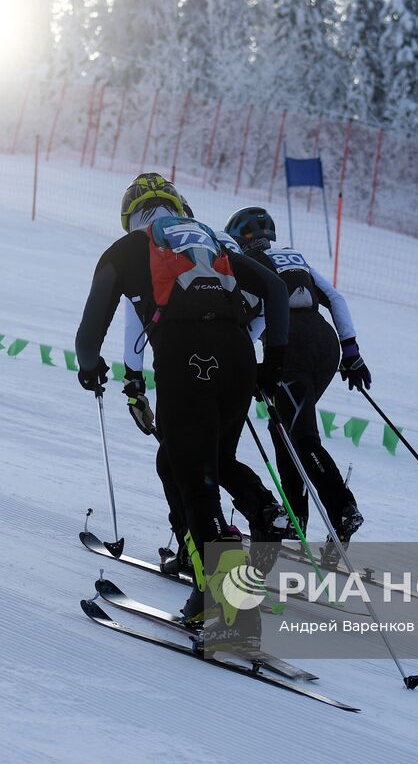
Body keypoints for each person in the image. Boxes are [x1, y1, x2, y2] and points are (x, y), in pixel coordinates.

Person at [76, 174, 291, 652]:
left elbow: (89, 334)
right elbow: (275, 291)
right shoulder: (211, 238)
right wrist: (270, 367)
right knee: (201, 464)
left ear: (131, 216)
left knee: (193, 480)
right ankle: (210, 589)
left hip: (183, 357)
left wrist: (90, 369)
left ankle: (234, 612)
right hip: (237, 358)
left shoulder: (128, 247)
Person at [120, 227, 292, 580]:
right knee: (214, 459)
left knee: (180, 462)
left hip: (188, 364)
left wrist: (134, 384)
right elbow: (266, 297)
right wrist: (263, 359)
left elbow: (133, 328)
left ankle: (206, 564)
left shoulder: (155, 250)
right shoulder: (214, 244)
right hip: (237, 359)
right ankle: (262, 510)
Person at [224, 206, 370, 555]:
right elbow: (334, 297)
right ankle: (299, 518)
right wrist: (351, 351)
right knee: (286, 431)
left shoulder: (251, 265)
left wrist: (248, 363)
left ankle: (341, 508)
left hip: (292, 346)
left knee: (299, 438)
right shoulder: (294, 256)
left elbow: (260, 311)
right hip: (326, 344)